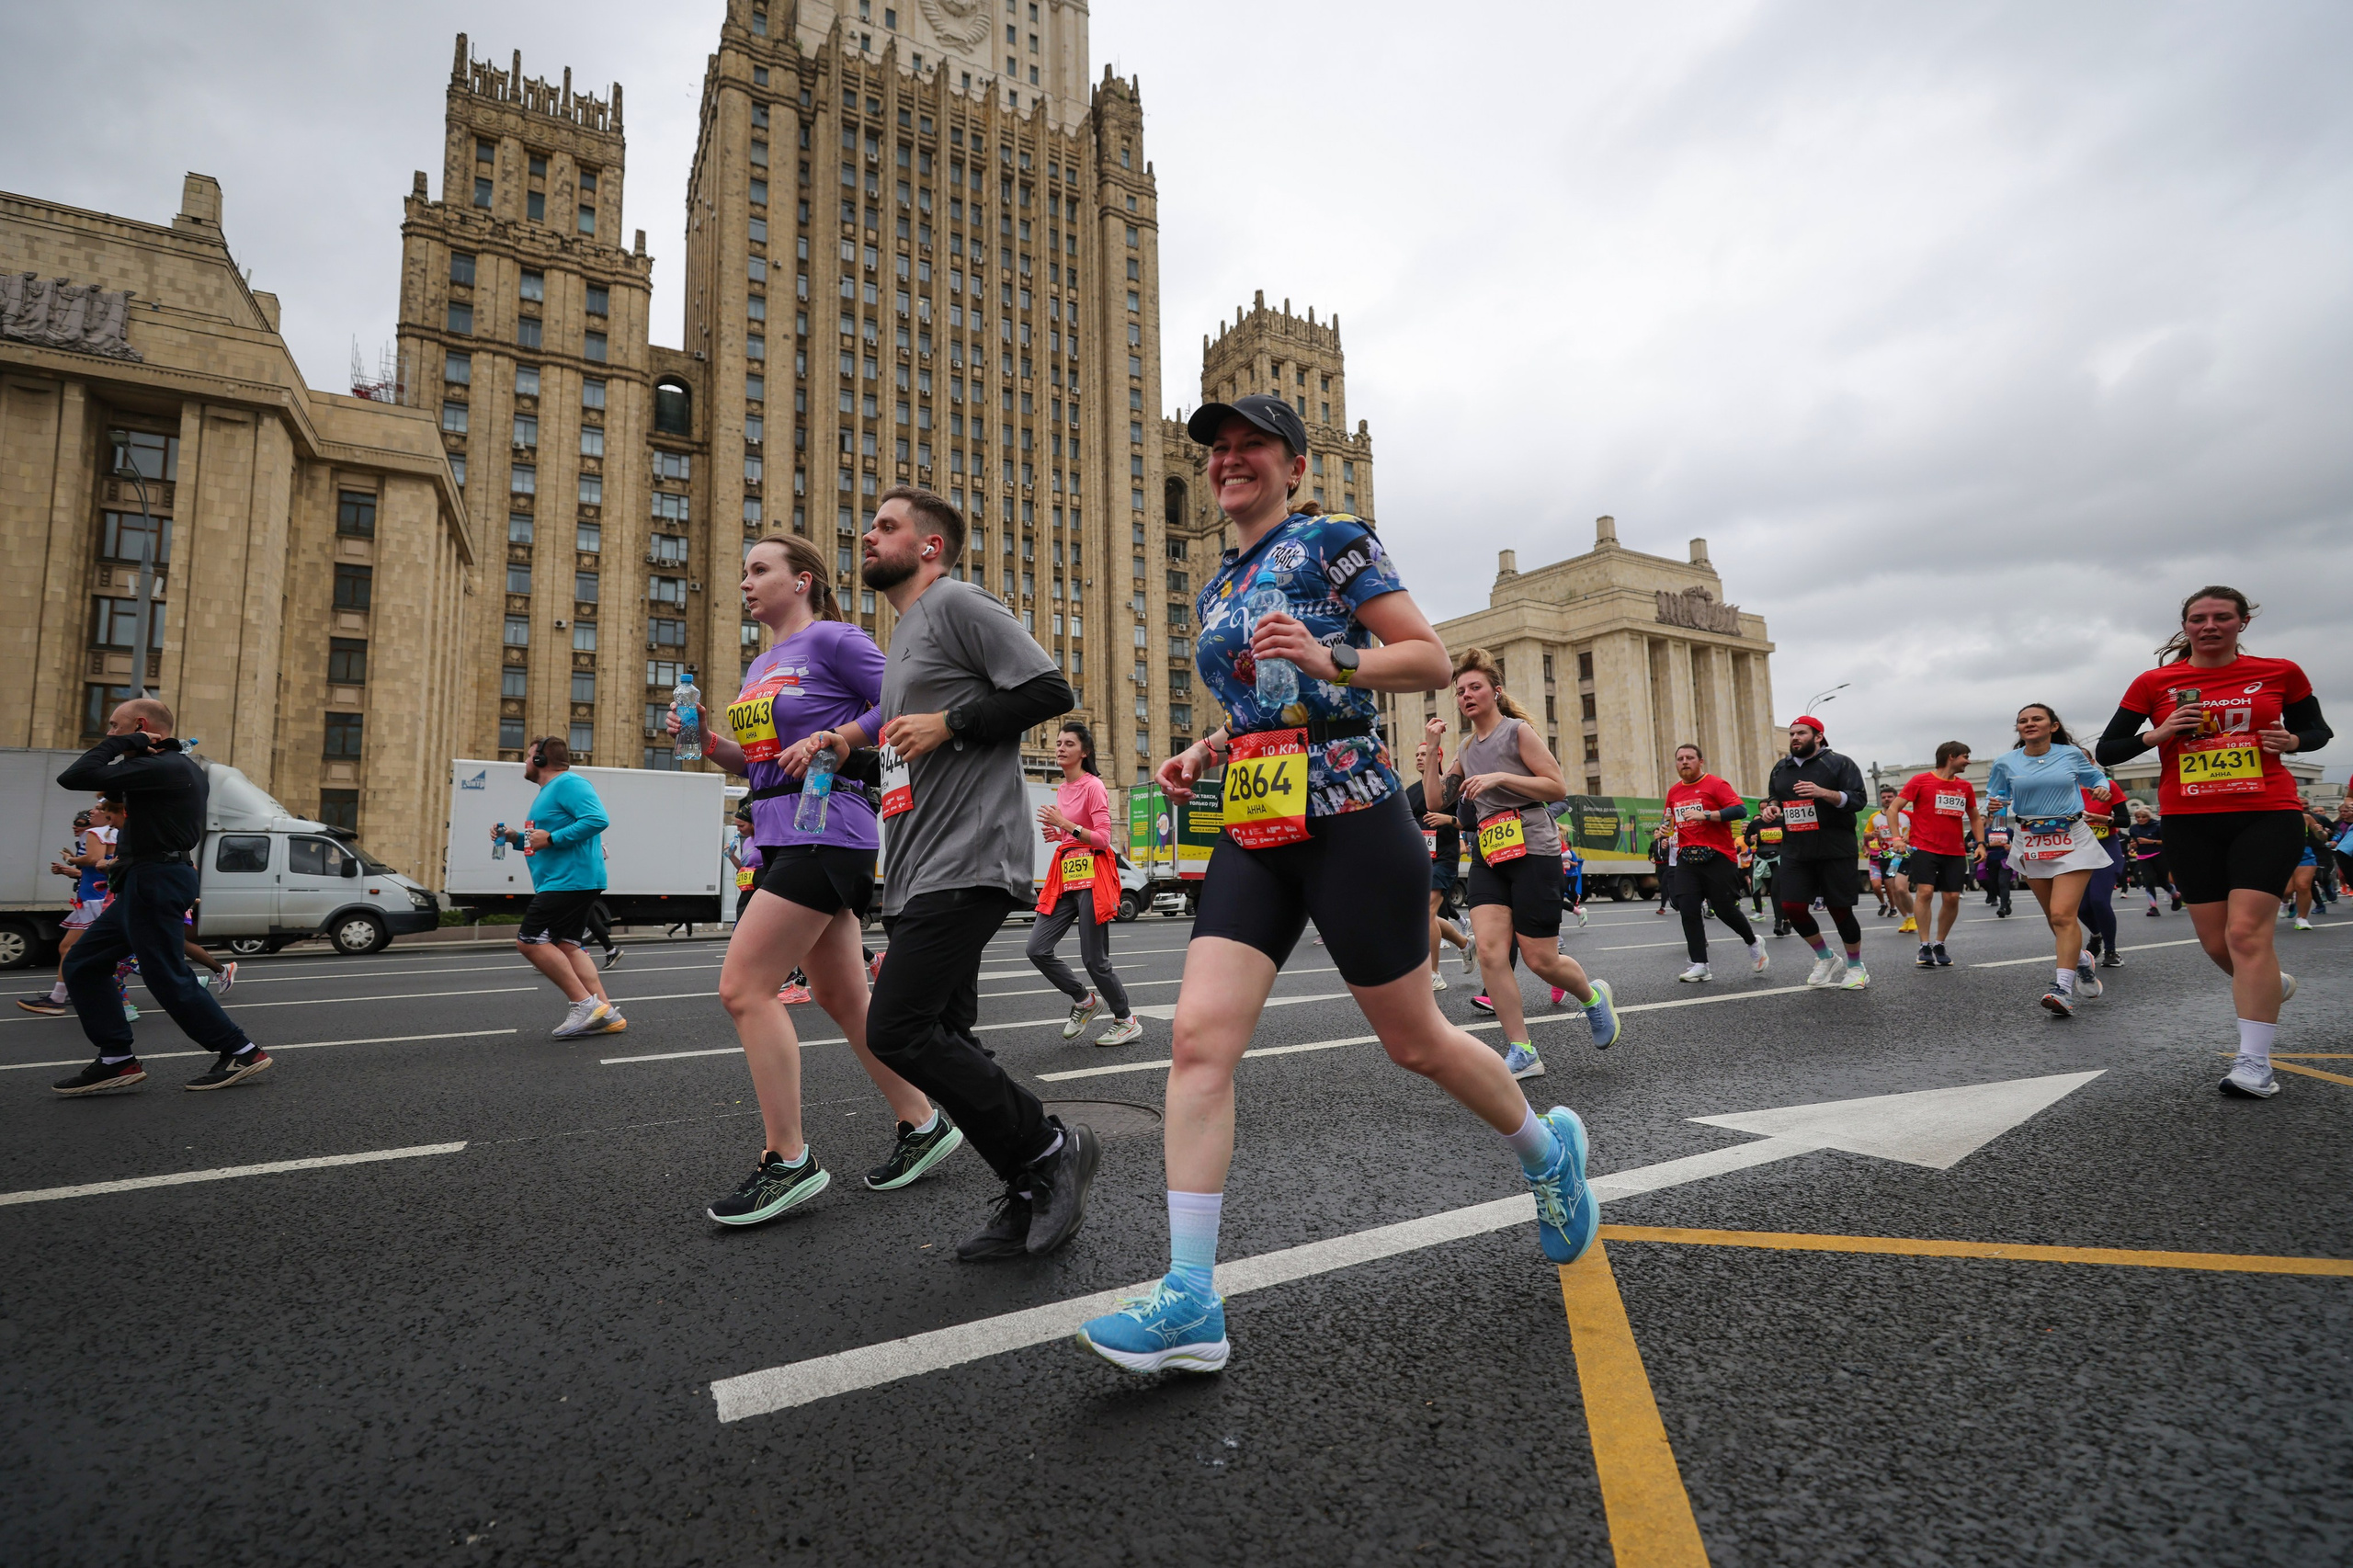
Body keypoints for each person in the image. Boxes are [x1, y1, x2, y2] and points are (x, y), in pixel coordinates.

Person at [1075, 397, 1601, 1377]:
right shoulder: (1217, 583)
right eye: (1218, 448)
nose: (1229, 460)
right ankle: (1190, 1297)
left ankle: (1546, 1151)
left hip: (1353, 814)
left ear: (1294, 467)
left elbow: (1425, 656)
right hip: (1256, 821)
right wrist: (1206, 747)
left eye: (1252, 446)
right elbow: (1264, 698)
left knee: (1416, 1042)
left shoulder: (1333, 541)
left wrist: (1335, 657)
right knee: (1197, 1041)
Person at [681, 531, 961, 1223]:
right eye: (744, 571)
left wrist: (841, 739)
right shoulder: (759, 666)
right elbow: (761, 765)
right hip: (778, 836)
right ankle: (923, 1122)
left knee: (744, 988)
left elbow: (904, 700)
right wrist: (709, 741)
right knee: (842, 996)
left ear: (802, 580)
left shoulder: (835, 641)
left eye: (760, 569)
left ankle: (788, 1159)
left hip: (829, 830)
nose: (745, 582)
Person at [850, 486, 1100, 1259]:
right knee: (946, 1035)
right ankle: (1027, 1185)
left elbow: (1049, 689)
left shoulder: (956, 602)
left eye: (886, 526)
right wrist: (845, 752)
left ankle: (1049, 1150)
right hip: (915, 867)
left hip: (969, 857)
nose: (867, 535)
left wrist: (951, 721)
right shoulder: (904, 637)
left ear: (929, 546)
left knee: (895, 1029)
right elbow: (909, 753)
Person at [2095, 585, 2329, 1096]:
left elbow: (2318, 732)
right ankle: (2269, 982)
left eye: (2222, 617)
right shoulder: (2155, 682)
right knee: (2218, 943)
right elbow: (2108, 749)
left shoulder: (2280, 672)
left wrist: (2292, 740)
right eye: (2198, 618)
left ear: (2242, 623)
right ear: (2186, 626)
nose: (2209, 626)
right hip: (2190, 819)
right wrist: (2157, 735)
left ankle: (2255, 1064)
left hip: (2266, 812)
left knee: (2245, 935)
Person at [50, 699, 273, 1095]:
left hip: (156, 880)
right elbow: (102, 785)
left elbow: (74, 776)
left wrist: (129, 743)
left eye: (115, 726)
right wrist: (135, 747)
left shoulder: (166, 767)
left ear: (140, 725)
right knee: (84, 963)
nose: (109, 734)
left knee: (165, 973)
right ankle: (117, 1059)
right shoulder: (164, 766)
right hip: (144, 880)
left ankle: (241, 1051)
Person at [1428, 649, 1620, 1079]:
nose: (1466, 695)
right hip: (1489, 853)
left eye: (1474, 687)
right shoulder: (1464, 748)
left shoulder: (1518, 732)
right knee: (1490, 951)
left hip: (1533, 848)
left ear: (1495, 692)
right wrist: (1436, 749)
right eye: (1460, 691)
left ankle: (1592, 998)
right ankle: (1522, 1049)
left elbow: (1556, 787)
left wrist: (1500, 777)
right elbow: (1437, 800)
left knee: (1540, 959)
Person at [1986, 704, 2116, 1017]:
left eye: (2036, 719)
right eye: (2023, 721)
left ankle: (2062, 989)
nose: (2029, 724)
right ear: (2018, 728)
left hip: (2072, 837)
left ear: (2053, 726)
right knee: (2054, 918)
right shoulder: (2005, 762)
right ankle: (2081, 960)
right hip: (2030, 839)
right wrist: (1993, 809)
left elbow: (2097, 778)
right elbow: (1996, 799)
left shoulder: (2070, 754)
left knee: (2061, 914)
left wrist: (2100, 789)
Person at [494, 736, 625, 1039]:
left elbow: (597, 819)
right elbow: (540, 841)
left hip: (568, 880)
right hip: (568, 880)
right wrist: (514, 838)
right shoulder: (549, 792)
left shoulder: (568, 783)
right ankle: (606, 1012)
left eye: (529, 756)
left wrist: (552, 838)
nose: (525, 761)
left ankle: (585, 1006)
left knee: (529, 941)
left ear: (541, 760)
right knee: (567, 945)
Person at [1029, 720, 1144, 1046]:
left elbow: (1104, 839)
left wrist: (1064, 824)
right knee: (1036, 948)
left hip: (1092, 879)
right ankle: (1084, 1000)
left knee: (1094, 959)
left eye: (1068, 744)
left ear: (1085, 751)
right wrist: (1060, 835)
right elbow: (1078, 833)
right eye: (1058, 743)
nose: (1060, 748)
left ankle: (1126, 1020)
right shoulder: (1063, 789)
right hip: (1066, 877)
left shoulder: (1094, 786)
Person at [1758, 717, 1872, 990]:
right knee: (1792, 907)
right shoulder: (1781, 767)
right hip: (1796, 847)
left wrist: (1824, 793)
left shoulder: (1840, 763)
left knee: (1839, 909)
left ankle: (1856, 967)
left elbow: (1858, 799)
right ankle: (1826, 957)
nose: (1794, 738)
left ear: (1818, 736)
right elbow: (1775, 796)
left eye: (1801, 733)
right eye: (1792, 734)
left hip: (1835, 847)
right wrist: (1772, 808)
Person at [1663, 744, 1767, 982]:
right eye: (1680, 758)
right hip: (1687, 858)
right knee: (1688, 909)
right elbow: (1668, 820)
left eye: (1690, 758)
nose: (1684, 762)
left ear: (1701, 761)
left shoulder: (1716, 784)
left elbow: (1740, 810)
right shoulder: (1674, 791)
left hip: (1718, 856)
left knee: (1724, 909)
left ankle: (1753, 942)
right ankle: (1700, 964)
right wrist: (1664, 830)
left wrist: (1707, 815)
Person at [1893, 743, 1982, 968]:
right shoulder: (1920, 780)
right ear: (1951, 756)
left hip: (1954, 850)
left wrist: (1981, 844)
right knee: (1925, 892)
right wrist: (1896, 838)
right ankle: (1924, 945)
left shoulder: (1965, 786)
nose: (1968, 761)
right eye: (1965, 756)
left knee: (1952, 897)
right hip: (1924, 847)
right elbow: (1894, 808)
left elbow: (1974, 816)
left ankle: (1940, 943)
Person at [22, 803, 115, 1016]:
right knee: (69, 948)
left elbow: (95, 861)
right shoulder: (107, 834)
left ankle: (109, 999)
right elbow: (100, 867)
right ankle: (60, 997)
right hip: (91, 899)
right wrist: (75, 870)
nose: (92, 811)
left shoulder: (99, 833)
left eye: (97, 809)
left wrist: (70, 860)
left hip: (96, 901)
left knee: (104, 953)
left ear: (109, 812)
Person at [1405, 739, 1473, 988]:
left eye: (1425, 754)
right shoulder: (1411, 792)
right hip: (1419, 860)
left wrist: (1447, 819)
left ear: (1438, 757)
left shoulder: (1451, 789)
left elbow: (1469, 822)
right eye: (1417, 754)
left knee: (1427, 912)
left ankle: (1434, 974)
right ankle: (1465, 944)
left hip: (1444, 858)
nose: (1419, 758)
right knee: (1426, 915)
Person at [2079, 776, 2128, 967]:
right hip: (2077, 850)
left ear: (2091, 763)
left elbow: (2124, 820)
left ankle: (2111, 950)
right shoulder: (2064, 787)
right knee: (2080, 907)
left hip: (2106, 846)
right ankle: (2096, 935)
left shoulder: (2108, 786)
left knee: (2099, 900)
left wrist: (2103, 819)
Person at [2125, 801, 2175, 915]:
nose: (2141, 819)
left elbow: (2167, 842)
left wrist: (2150, 841)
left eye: (2143, 817)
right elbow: (2134, 841)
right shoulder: (2134, 828)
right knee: (2149, 881)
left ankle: (2176, 895)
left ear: (2148, 817)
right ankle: (2153, 907)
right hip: (2143, 857)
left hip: (2158, 855)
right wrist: (2133, 845)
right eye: (2138, 817)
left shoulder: (2157, 826)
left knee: (2163, 881)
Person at [1742, 812, 1787, 931]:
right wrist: (1751, 840)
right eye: (1762, 809)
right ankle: (1786, 919)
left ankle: (1778, 924)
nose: (1767, 812)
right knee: (1771, 890)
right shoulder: (1756, 824)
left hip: (1779, 859)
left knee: (1776, 891)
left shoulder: (1782, 821)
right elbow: (1747, 840)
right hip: (1762, 860)